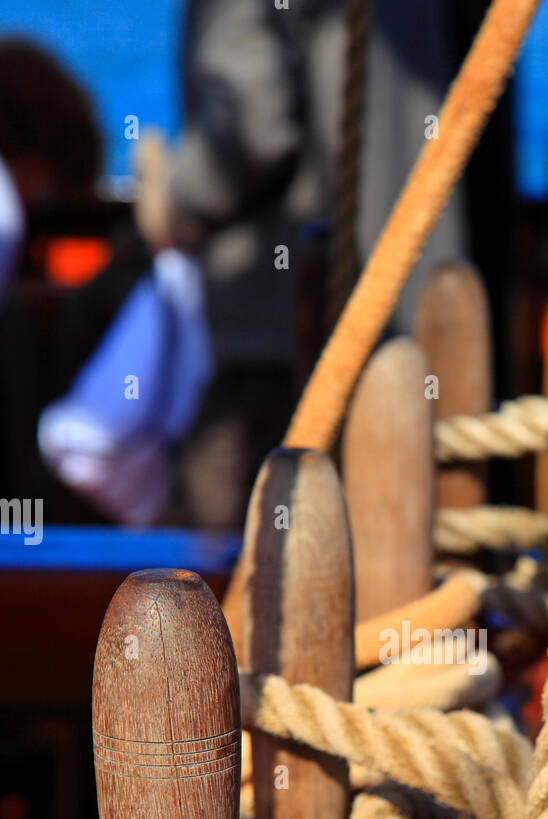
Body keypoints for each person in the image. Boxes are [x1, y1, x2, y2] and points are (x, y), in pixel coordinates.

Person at [137, 0, 467, 530]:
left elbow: (253, 123)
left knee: (231, 569)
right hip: (409, 321)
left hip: (283, 344)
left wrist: (175, 202)